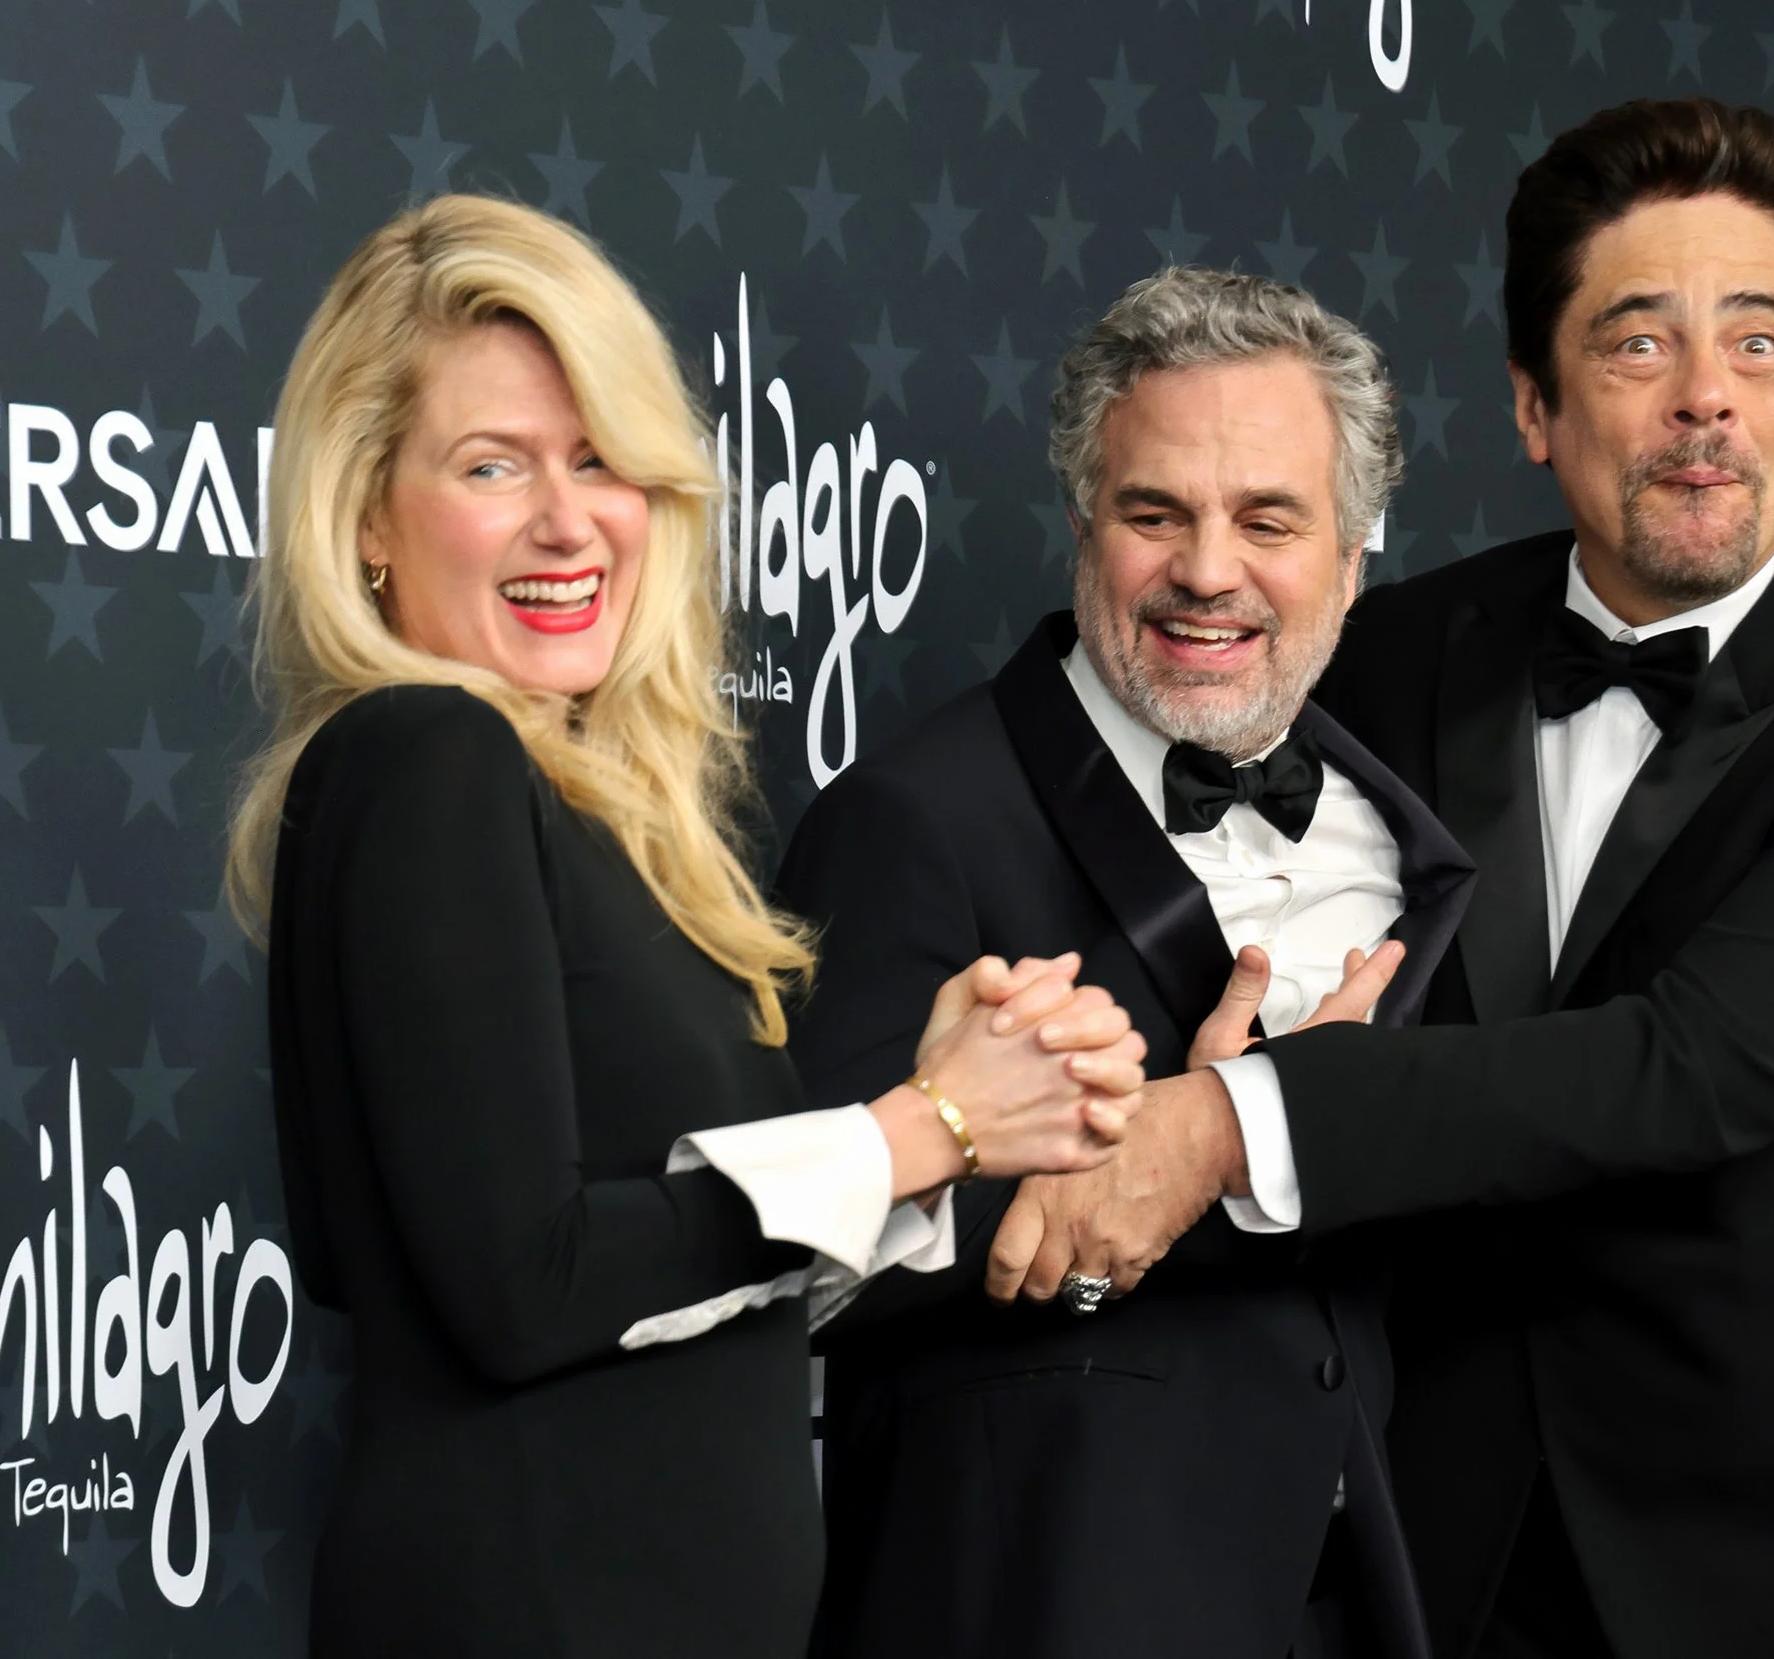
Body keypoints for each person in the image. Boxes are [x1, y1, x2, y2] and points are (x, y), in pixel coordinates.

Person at [995, 101, 1774, 1659]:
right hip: (1464, 1563)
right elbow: (1112, 711)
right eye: (1639, 346)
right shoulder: (1386, 656)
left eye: (1761, 345)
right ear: (1534, 404)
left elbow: (1683, 1073)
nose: (1707, 400)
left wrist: (1233, 1125)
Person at [225, 194, 1148, 1659]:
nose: (566, 519)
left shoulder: (577, 812)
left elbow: (669, 1295)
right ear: (363, 521)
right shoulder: (426, 757)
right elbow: (522, 1287)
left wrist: (940, 1110)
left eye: (601, 460)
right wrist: (925, 1128)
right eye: (491, 466)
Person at [776, 267, 1473, 1659]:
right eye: (1156, 513)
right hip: (1038, 1609)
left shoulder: (1410, 844)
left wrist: (1306, 1126)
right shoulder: (914, 821)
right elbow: (807, 1272)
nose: (1209, 570)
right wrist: (1218, 1151)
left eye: (1268, 520)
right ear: (1084, 527)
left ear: (1352, 562)